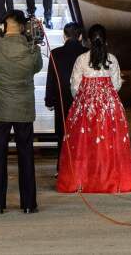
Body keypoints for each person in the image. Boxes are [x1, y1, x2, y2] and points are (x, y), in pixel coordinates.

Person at [58, 24, 131, 194]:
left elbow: (75, 85)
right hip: (109, 107)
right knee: (110, 142)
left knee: (83, 143)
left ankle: (82, 180)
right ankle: (110, 181)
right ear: (106, 40)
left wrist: (82, 100)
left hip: (86, 106)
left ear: (87, 39)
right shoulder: (112, 59)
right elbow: (116, 85)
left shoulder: (81, 59)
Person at [0, 11, 42, 214]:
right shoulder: (31, 47)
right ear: (23, 27)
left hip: (0, 109)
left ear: (4, 27)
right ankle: (28, 204)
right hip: (23, 108)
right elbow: (37, 68)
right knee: (26, 156)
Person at [45, 22, 86, 169]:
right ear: (80, 36)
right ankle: (81, 168)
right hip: (83, 100)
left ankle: (62, 168)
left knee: (63, 135)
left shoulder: (55, 53)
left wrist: (49, 100)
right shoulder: (87, 53)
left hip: (62, 100)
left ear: (64, 36)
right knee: (82, 136)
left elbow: (51, 78)